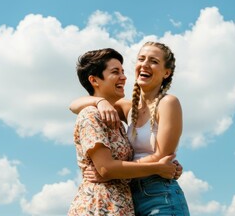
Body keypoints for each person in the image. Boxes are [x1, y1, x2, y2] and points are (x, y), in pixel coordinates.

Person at [70, 42, 190, 215]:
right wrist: (100, 101)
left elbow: (162, 156)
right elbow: (74, 105)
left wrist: (112, 171)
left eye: (154, 61)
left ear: (166, 73)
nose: (145, 64)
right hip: (130, 196)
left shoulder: (168, 103)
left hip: (160, 194)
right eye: (141, 59)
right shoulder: (128, 108)